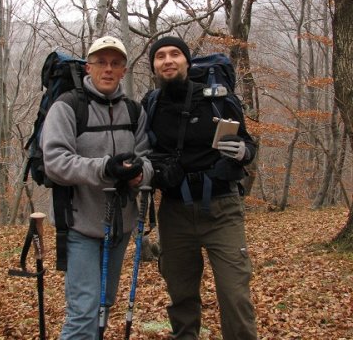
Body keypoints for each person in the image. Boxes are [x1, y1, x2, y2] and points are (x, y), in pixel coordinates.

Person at [144, 36, 257, 339]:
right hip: (174, 212)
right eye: (160, 56)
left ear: (187, 61)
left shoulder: (217, 99)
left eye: (175, 54)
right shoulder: (151, 105)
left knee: (235, 294)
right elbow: (141, 153)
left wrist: (241, 152)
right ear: (153, 66)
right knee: (181, 295)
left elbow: (248, 144)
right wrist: (156, 171)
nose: (168, 60)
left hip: (222, 209)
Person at [41, 35, 153, 339]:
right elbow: (55, 162)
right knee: (83, 312)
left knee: (104, 304)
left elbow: (147, 159)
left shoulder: (134, 111)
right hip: (80, 225)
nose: (108, 69)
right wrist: (104, 168)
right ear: (88, 67)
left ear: (124, 71)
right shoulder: (68, 107)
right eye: (101, 62)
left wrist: (140, 175)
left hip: (120, 228)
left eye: (115, 63)